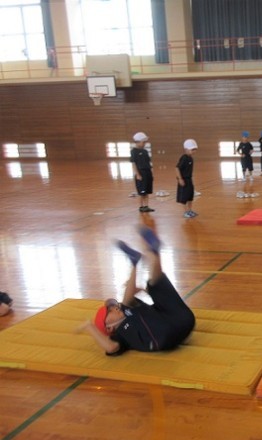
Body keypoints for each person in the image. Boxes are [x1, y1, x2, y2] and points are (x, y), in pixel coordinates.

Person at [78, 226, 196, 356]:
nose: (115, 308)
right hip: (164, 336)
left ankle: (151, 254)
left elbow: (131, 297)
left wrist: (144, 291)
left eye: (112, 307)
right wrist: (89, 327)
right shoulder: (120, 335)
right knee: (131, 300)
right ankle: (134, 262)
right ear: (109, 328)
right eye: (110, 311)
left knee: (154, 285)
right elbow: (110, 347)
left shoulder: (129, 309)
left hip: (184, 320)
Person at [131, 132, 154, 212]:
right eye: (143, 142)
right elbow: (133, 163)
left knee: (147, 191)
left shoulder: (145, 151)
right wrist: (137, 174)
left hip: (147, 173)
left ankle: (146, 206)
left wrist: (151, 173)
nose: (144, 144)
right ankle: (141, 207)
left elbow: (148, 163)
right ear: (137, 142)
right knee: (142, 192)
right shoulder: (134, 151)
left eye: (145, 142)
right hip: (141, 173)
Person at [176, 139, 198, 218]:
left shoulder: (190, 158)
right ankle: (185, 212)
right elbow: (177, 168)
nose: (194, 151)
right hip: (184, 180)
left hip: (189, 180)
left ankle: (190, 211)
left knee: (190, 196)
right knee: (184, 197)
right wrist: (180, 179)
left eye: (195, 149)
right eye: (192, 149)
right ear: (186, 149)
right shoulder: (184, 158)